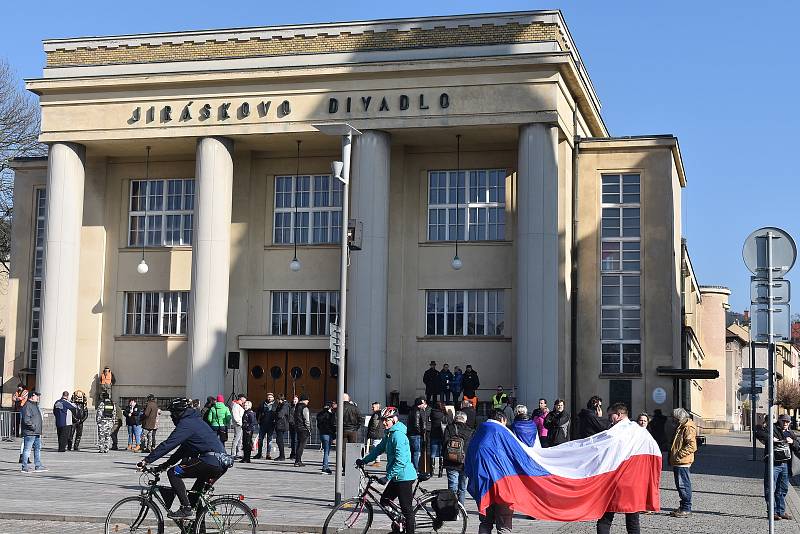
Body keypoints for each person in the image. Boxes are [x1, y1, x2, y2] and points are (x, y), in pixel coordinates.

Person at [137, 397, 230, 520]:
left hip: (210, 461)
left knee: (174, 473)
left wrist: (147, 460)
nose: (171, 417)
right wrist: (163, 466)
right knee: (193, 499)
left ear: (178, 412)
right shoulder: (195, 421)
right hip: (219, 463)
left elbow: (169, 444)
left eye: (172, 414)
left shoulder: (187, 424)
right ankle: (197, 528)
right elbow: (182, 451)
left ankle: (185, 508)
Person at [357, 407, 417, 534]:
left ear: (394, 419)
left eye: (387, 420)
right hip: (396, 476)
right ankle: (399, 523)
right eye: (383, 420)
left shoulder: (398, 436)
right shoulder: (389, 434)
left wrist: (387, 477)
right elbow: (378, 449)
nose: (384, 422)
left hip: (404, 477)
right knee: (384, 501)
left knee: (407, 511)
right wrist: (364, 460)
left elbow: (401, 461)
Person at [595, 403, 640, 534]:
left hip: (614, 480)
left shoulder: (615, 432)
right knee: (632, 521)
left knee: (605, 519)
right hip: (632, 482)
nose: (609, 418)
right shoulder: (638, 430)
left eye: (610, 415)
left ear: (619, 415)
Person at [756, 413, 799, 520]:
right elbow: (759, 433)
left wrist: (792, 442)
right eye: (783, 421)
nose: (785, 423)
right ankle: (772, 512)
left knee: (783, 488)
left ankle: (781, 511)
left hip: (785, 464)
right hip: (773, 463)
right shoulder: (772, 428)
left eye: (787, 421)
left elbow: (798, 447)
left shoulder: (790, 433)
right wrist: (772, 438)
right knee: (770, 488)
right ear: (779, 420)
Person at [478, 411, 513, 534]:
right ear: (501, 421)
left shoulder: (479, 433)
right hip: (502, 486)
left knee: (485, 523)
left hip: (483, 487)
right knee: (504, 525)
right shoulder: (502, 434)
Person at [669, 407, 697, 518]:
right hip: (678, 461)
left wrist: (679, 454)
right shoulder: (681, 426)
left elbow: (692, 446)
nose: (672, 420)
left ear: (678, 417)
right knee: (680, 485)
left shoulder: (687, 427)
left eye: (674, 418)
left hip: (682, 461)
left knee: (683, 485)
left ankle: (686, 508)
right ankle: (683, 506)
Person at [443, 411, 473, 505]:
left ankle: (452, 508)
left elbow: (444, 443)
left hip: (451, 461)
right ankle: (461, 508)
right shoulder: (470, 430)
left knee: (452, 487)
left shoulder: (449, 428)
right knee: (462, 488)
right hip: (464, 462)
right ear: (465, 419)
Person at [20, 391, 46, 473]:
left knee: (37, 449)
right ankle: (24, 466)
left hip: (36, 432)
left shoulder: (35, 405)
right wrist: (33, 427)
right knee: (27, 449)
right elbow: (26, 420)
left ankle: (38, 465)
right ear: (31, 396)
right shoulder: (27, 406)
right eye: (36, 396)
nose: (38, 397)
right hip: (30, 432)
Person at [407, 397, 428, 471]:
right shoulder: (417, 411)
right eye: (423, 403)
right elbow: (417, 424)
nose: (424, 404)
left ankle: (412, 467)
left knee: (412, 452)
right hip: (415, 434)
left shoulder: (412, 410)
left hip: (411, 433)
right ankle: (415, 468)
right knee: (416, 452)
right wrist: (421, 432)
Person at [254, 393, 276, 459]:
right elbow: (258, 412)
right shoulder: (262, 404)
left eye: (271, 397)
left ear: (273, 398)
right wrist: (258, 420)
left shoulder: (275, 404)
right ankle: (259, 453)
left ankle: (268, 454)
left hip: (271, 425)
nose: (269, 398)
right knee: (260, 440)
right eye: (268, 397)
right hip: (263, 424)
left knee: (269, 440)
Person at [429, 401, 448, 477]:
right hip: (442, 435)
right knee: (441, 454)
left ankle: (431, 471)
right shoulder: (444, 414)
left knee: (433, 454)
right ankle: (440, 472)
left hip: (433, 434)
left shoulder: (432, 413)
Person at [317, 401, 336, 474]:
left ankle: (325, 466)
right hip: (328, 434)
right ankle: (325, 467)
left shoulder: (319, 414)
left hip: (322, 434)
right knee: (326, 451)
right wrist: (334, 436)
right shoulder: (330, 415)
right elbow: (332, 426)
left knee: (326, 450)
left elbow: (318, 425)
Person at [293, 394, 311, 467]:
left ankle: (297, 460)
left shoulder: (297, 407)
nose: (308, 402)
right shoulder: (304, 408)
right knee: (301, 445)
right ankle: (298, 461)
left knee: (299, 444)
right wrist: (309, 429)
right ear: (305, 400)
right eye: (307, 400)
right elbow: (307, 420)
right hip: (304, 429)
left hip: (298, 428)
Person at [366, 401, 385, 466]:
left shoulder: (376, 414)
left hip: (376, 433)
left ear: (377, 407)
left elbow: (374, 424)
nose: (372, 408)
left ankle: (377, 461)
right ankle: (377, 461)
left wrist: (371, 432)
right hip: (379, 432)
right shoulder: (380, 413)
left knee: (375, 446)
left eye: (373, 407)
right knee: (377, 446)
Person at [273, 394, 290, 460]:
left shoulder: (285, 405)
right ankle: (281, 455)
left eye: (277, 400)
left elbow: (280, 414)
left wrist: (276, 414)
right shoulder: (281, 405)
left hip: (282, 425)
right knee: (278, 440)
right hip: (279, 424)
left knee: (279, 440)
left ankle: (282, 456)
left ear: (279, 399)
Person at [288, 395, 299, 459]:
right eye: (294, 399)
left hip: (297, 425)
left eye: (296, 399)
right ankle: (292, 453)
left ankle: (295, 453)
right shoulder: (290, 407)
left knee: (295, 440)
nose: (294, 400)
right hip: (291, 425)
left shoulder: (299, 407)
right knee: (293, 440)